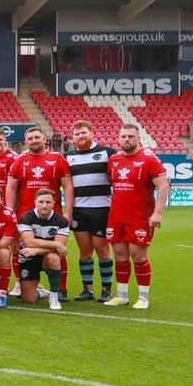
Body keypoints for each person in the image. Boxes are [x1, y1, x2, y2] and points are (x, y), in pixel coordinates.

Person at [103, 124, 168, 309]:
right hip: (116, 215)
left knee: (138, 256)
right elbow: (111, 181)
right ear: (118, 138)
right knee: (120, 256)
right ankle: (122, 295)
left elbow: (163, 185)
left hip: (140, 216)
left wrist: (158, 212)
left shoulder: (149, 159)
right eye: (123, 136)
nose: (126, 139)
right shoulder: (114, 159)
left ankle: (143, 297)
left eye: (130, 136)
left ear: (138, 138)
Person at [7, 125, 73, 299]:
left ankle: (61, 289)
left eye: (37, 137)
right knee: (18, 249)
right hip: (25, 214)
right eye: (30, 138)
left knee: (58, 251)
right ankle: (21, 285)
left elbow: (67, 186)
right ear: (26, 142)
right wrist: (9, 213)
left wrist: (68, 211)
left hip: (53, 215)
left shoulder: (57, 159)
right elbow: (12, 188)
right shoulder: (20, 161)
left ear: (45, 139)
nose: (34, 141)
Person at [65, 120, 115, 302]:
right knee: (85, 251)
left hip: (102, 209)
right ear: (73, 138)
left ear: (92, 133)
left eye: (83, 133)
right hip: (79, 210)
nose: (80, 136)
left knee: (102, 250)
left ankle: (106, 289)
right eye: (77, 134)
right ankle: (88, 289)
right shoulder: (68, 156)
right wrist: (68, 212)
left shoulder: (107, 153)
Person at [17, 189, 70, 311]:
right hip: (29, 256)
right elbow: (29, 242)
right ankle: (41, 293)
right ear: (35, 202)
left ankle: (54, 297)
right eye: (41, 202)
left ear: (54, 203)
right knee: (29, 299)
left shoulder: (62, 221)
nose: (44, 205)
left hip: (44, 255)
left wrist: (37, 251)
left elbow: (60, 249)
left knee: (54, 257)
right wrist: (55, 244)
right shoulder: (26, 218)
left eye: (48, 202)